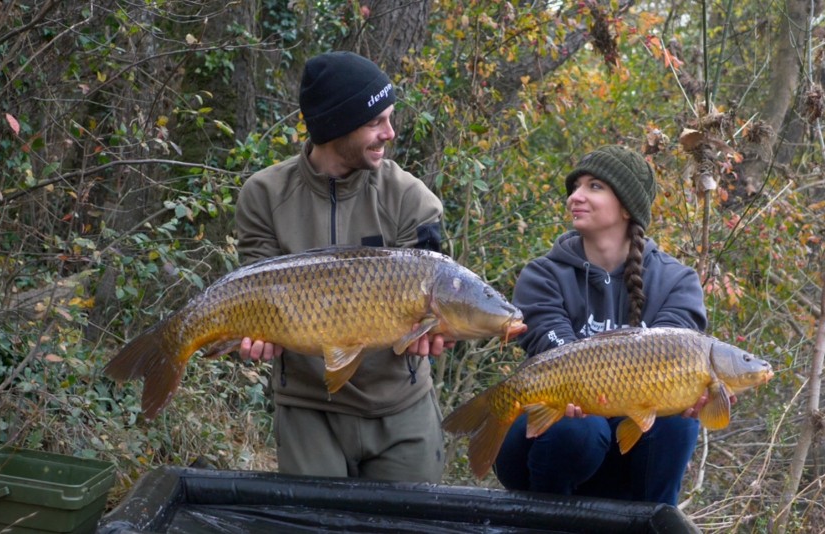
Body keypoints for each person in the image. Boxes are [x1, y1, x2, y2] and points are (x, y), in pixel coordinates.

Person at [234, 51, 452, 483]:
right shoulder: (263, 195)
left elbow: (439, 292)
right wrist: (254, 334)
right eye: (376, 122)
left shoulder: (413, 200)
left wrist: (433, 333)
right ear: (335, 126)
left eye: (390, 119)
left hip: (398, 405)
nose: (389, 133)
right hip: (306, 405)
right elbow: (253, 292)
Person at [494, 145, 709, 505]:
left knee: (679, 419)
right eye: (575, 187)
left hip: (630, 451)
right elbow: (557, 360)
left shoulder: (677, 281)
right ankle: (543, 523)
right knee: (578, 425)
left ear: (627, 206)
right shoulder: (542, 275)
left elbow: (675, 359)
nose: (575, 197)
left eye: (594, 186)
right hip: (549, 442)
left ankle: (651, 522)